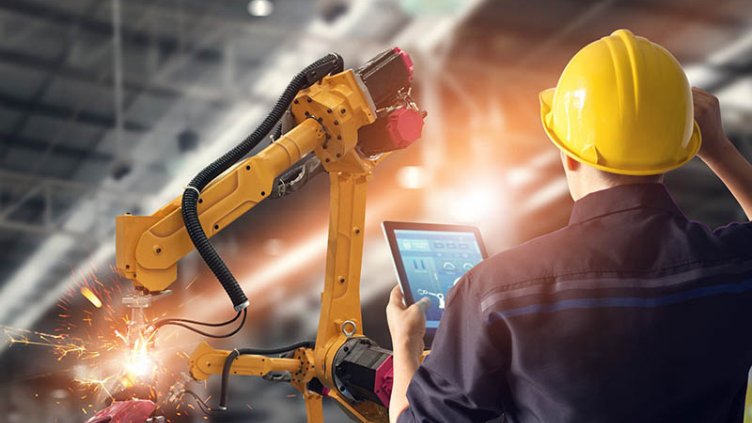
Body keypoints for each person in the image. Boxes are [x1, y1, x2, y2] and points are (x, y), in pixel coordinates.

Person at [387, 29, 752, 423]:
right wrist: (721, 150)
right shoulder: (732, 266)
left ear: (569, 154)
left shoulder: (493, 292)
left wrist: (406, 344)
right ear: (681, 148)